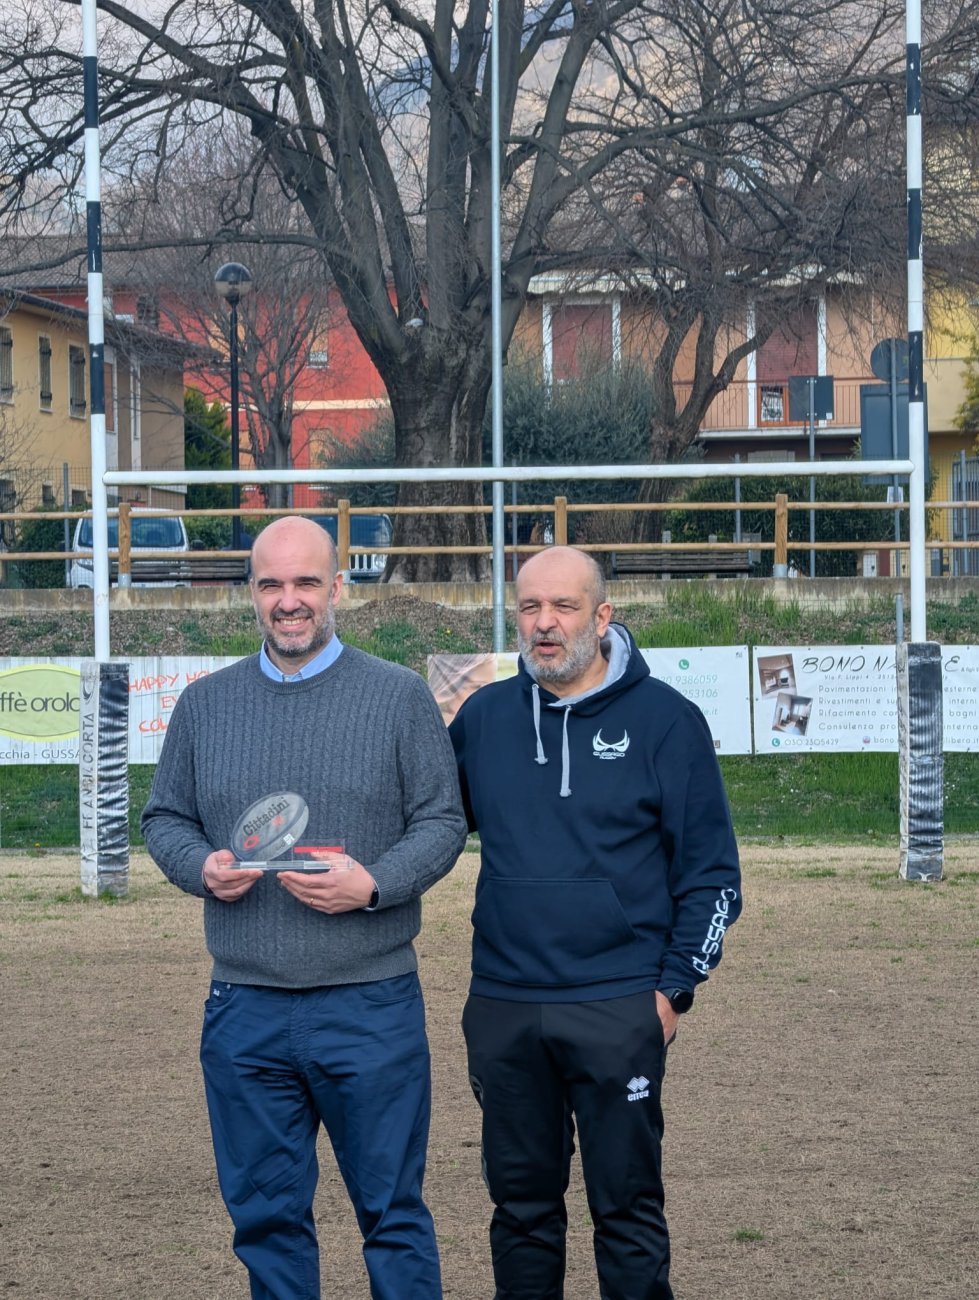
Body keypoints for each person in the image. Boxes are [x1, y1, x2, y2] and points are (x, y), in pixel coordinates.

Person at [141, 516, 467, 1300]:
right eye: (271, 584)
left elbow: (442, 822)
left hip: (368, 1002)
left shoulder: (397, 697)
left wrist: (375, 885)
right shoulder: (205, 704)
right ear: (250, 593)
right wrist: (201, 867)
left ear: (338, 589)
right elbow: (164, 819)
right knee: (265, 1222)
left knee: (391, 1213)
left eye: (306, 583)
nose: (289, 601)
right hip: (245, 1006)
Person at [448, 545, 742, 1300]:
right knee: (520, 1212)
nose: (544, 625)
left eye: (564, 607)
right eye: (529, 608)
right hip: (505, 1004)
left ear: (602, 616)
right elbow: (428, 830)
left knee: (627, 1209)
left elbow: (712, 877)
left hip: (618, 1004)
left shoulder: (666, 722)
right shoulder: (482, 719)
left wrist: (671, 992)